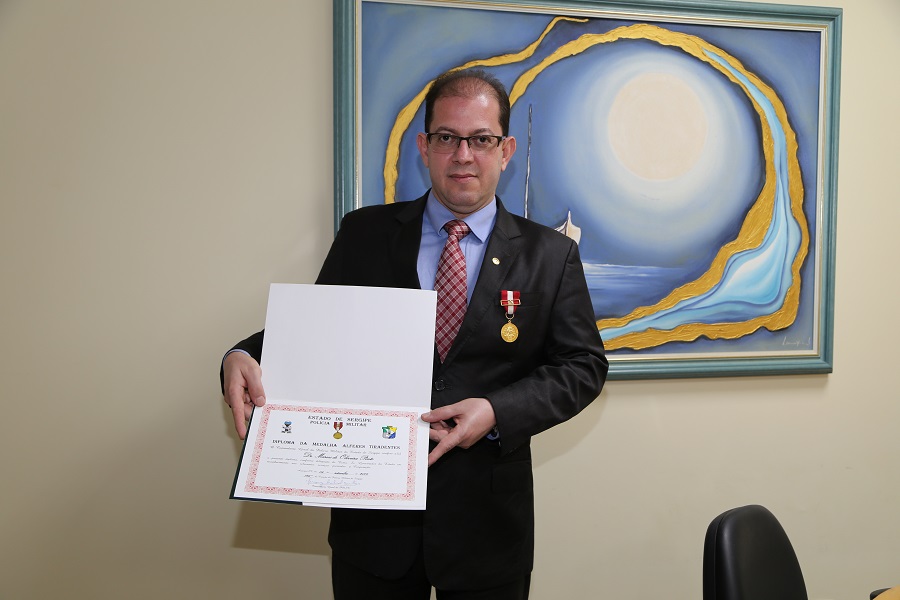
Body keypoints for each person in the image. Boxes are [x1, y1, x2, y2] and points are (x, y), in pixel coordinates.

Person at [221, 68, 608, 600]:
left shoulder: (551, 254)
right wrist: (241, 354)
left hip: (488, 528)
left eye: (481, 139)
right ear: (424, 147)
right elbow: (316, 333)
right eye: (447, 137)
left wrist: (496, 411)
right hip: (372, 527)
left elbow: (583, 366)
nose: (463, 155)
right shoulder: (365, 233)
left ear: (506, 150)